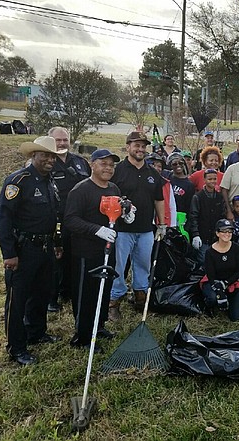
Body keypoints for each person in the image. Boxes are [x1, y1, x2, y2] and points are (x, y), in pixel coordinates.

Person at [0, 136, 66, 365]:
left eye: (53, 156)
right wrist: (9, 253)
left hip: (45, 247)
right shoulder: (18, 181)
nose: (50, 160)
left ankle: (36, 333)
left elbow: (54, 216)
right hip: (23, 249)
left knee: (41, 293)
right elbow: (3, 219)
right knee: (18, 300)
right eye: (45, 155)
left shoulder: (49, 181)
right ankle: (16, 347)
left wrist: (56, 243)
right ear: (33, 155)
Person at [64, 150, 133, 352]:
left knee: (104, 289)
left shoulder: (113, 188)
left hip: (108, 250)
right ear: (92, 165)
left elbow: (117, 213)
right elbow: (70, 220)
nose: (108, 168)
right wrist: (96, 230)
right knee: (86, 293)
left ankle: (99, 325)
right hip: (86, 251)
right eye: (103, 164)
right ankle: (83, 336)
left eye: (111, 165)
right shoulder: (81, 190)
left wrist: (127, 213)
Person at [109, 131, 166, 321]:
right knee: (118, 266)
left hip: (145, 230)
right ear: (128, 147)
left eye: (143, 146)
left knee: (143, 264)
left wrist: (162, 223)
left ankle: (140, 297)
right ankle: (114, 302)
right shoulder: (118, 170)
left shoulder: (152, 173)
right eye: (137, 146)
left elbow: (159, 199)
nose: (140, 149)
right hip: (122, 230)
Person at [47, 126, 91, 312]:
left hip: (78, 220)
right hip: (56, 219)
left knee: (74, 256)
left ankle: (69, 291)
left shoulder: (80, 162)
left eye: (65, 139)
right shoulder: (46, 162)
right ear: (50, 141)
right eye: (58, 140)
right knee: (55, 258)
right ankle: (52, 297)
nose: (62, 143)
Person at [203, 219, 239, 320]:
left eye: (229, 231)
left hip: (232, 282)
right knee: (213, 298)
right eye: (224, 231)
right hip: (214, 282)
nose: (227, 234)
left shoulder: (236, 248)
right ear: (217, 233)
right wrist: (219, 291)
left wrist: (226, 283)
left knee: (238, 318)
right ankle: (211, 306)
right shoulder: (209, 252)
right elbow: (211, 275)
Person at [188, 169, 227, 264]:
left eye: (214, 179)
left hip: (216, 237)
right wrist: (195, 235)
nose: (213, 181)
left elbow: (222, 216)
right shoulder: (197, 197)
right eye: (210, 179)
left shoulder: (219, 197)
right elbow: (193, 217)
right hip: (203, 236)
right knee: (203, 261)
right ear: (204, 180)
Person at [166, 152, 195, 217]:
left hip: (180, 216)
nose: (178, 165)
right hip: (166, 215)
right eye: (174, 164)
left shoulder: (189, 185)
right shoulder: (167, 177)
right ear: (171, 166)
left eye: (181, 163)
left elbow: (189, 206)